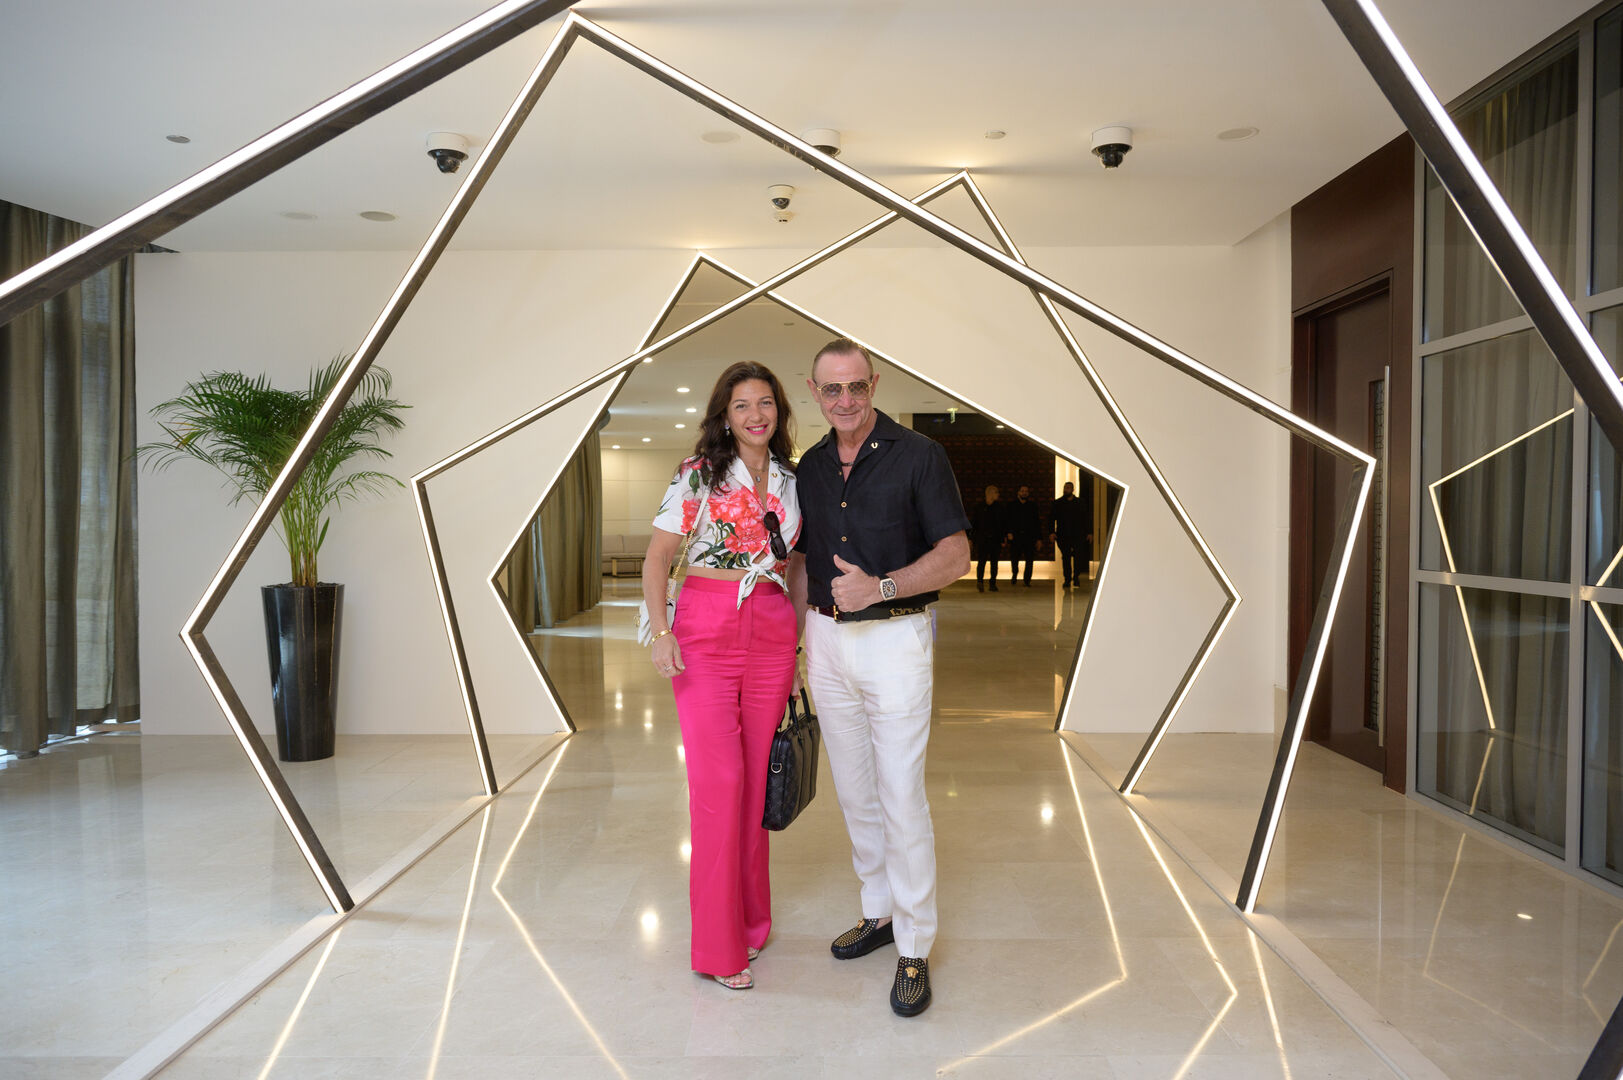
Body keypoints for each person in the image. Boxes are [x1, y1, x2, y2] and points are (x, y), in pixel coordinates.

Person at [790, 337, 971, 1017]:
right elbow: (801, 562)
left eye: (856, 386)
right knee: (855, 790)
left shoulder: (920, 455)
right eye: (832, 389)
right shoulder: (809, 465)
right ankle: (879, 912)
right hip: (826, 641)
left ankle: (914, 944)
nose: (845, 400)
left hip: (895, 638)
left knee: (900, 794)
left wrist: (883, 586)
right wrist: (794, 644)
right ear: (814, 392)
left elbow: (955, 553)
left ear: (874, 385)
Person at [642, 361, 805, 992]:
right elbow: (659, 557)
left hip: (771, 630)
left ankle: (752, 922)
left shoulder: (791, 480)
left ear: (778, 411)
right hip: (705, 628)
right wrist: (661, 631)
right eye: (742, 405)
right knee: (720, 783)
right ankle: (716, 946)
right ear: (725, 416)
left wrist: (797, 651)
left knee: (755, 782)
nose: (755, 415)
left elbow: (796, 570)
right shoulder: (698, 473)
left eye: (765, 403)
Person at [1049, 480, 1090, 587]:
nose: (1065, 490)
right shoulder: (1057, 503)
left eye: (1068, 488)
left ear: (1072, 489)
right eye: (1065, 487)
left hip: (1078, 534)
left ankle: (1076, 577)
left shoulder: (1080, 502)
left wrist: (1089, 532)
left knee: (1078, 557)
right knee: (1066, 557)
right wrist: (1052, 532)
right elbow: (1051, 518)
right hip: (1063, 534)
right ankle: (1067, 579)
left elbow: (1086, 518)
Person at [970, 484, 1005, 592]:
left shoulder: (999, 508)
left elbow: (1002, 524)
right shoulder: (979, 507)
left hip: (995, 539)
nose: (998, 494)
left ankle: (992, 583)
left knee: (994, 562)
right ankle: (980, 581)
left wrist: (1003, 538)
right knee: (981, 561)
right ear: (990, 494)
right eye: (996, 492)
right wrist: (971, 538)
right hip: (982, 539)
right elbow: (974, 524)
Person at [1006, 484, 1039, 586]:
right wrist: (1009, 532)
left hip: (1029, 537)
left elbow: (1037, 522)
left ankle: (1027, 579)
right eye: (1022, 491)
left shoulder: (1032, 506)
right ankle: (1014, 573)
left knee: (1029, 559)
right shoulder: (1012, 505)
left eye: (1026, 491)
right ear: (1018, 492)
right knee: (1014, 558)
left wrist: (1039, 538)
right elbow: (1007, 520)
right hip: (1016, 536)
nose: (1024, 493)